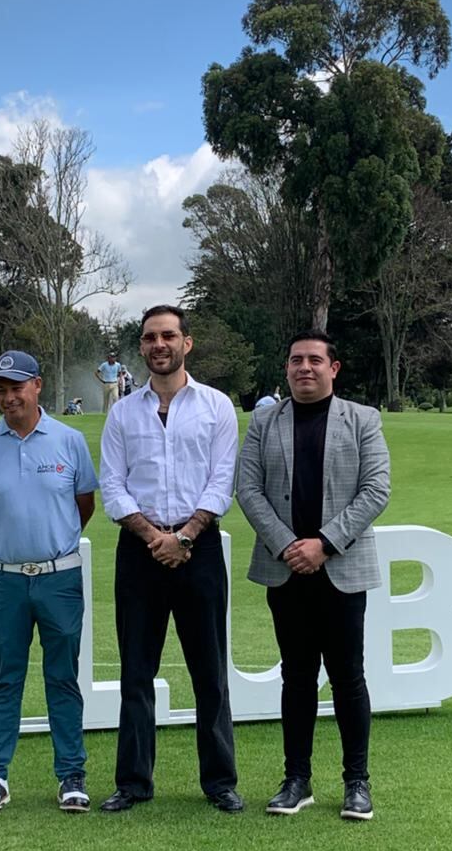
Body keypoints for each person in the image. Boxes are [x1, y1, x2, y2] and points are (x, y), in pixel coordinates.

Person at [236, 329, 390, 821]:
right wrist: (287, 545)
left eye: (314, 360)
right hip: (286, 570)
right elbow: (248, 488)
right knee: (296, 677)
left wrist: (323, 544)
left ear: (333, 368)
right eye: (296, 360)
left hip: (340, 568)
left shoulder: (363, 419)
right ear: (286, 368)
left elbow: (376, 490)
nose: (304, 368)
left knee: (348, 677)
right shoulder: (264, 421)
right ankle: (296, 779)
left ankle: (356, 782)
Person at [98, 304, 243, 814]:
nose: (158, 345)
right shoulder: (122, 412)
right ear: (141, 347)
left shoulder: (216, 406)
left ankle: (220, 781)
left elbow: (222, 479)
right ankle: (134, 782)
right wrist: (153, 536)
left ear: (187, 343)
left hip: (198, 549)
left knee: (210, 670)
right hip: (139, 553)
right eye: (149, 338)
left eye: (168, 336)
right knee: (136, 671)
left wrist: (184, 536)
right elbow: (112, 485)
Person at [0, 350, 99, 816]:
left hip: (59, 579)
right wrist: (16, 550)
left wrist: (48, 547)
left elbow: (84, 507)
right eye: (0, 389)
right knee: (5, 679)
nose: (8, 397)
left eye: (16, 387)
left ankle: (71, 775)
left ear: (37, 386)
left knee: (62, 679)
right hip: (6, 582)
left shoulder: (69, 440)